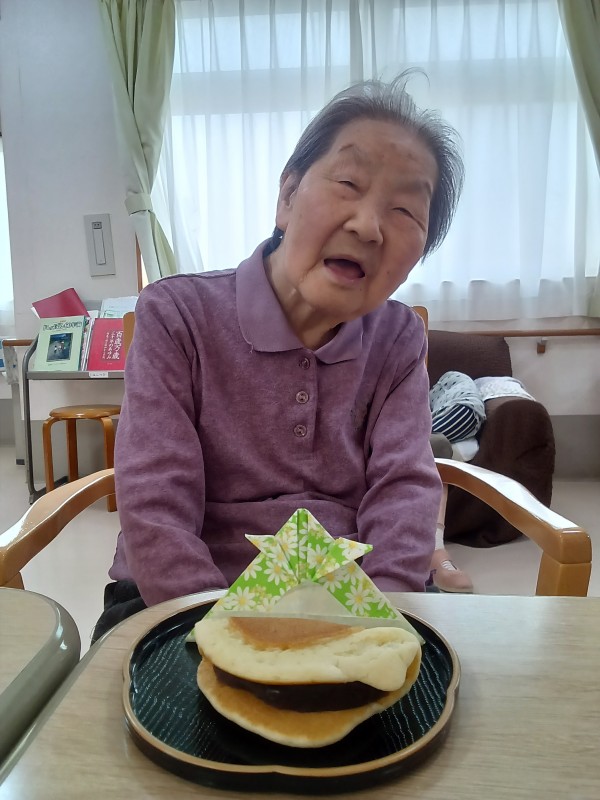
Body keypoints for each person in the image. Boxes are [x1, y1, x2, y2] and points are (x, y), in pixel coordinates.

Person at [92, 71, 465, 640]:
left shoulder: (397, 337)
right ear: (288, 197)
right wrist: (224, 635)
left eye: (405, 213)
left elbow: (404, 491)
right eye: (348, 183)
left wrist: (378, 624)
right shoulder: (177, 314)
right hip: (182, 600)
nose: (368, 226)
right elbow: (155, 503)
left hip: (350, 601)